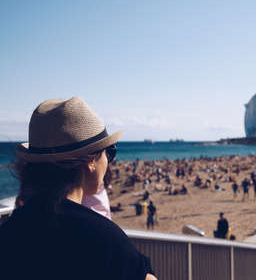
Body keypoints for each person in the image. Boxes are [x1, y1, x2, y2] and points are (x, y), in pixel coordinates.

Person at [0, 97, 157, 280]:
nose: (108, 160)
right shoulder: (103, 239)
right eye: (109, 151)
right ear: (90, 161)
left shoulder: (10, 231)